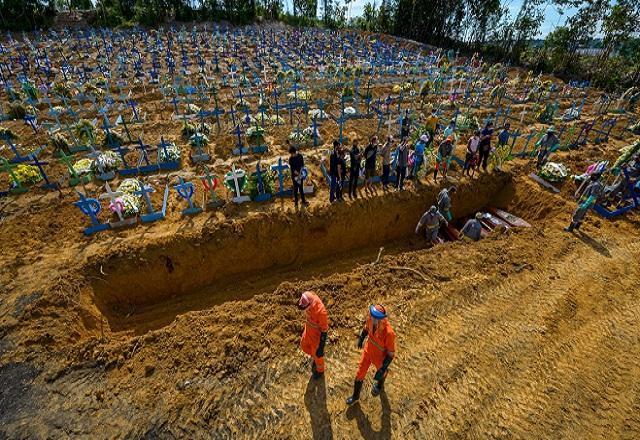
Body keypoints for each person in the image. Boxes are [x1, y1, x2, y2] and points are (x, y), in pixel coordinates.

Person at [346, 304, 395, 404]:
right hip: (368, 351)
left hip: (380, 356)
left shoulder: (389, 333)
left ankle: (379, 385)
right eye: (371, 315)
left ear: (381, 319)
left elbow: (390, 354)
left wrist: (383, 368)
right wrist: (361, 338)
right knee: (360, 373)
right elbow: (366, 329)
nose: (372, 319)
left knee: (381, 373)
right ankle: (355, 397)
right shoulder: (370, 320)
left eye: (375, 317)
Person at [298, 291, 329, 379]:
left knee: (317, 355)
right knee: (304, 346)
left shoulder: (321, 312)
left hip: (316, 336)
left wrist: (321, 347)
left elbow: (324, 330)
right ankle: (314, 356)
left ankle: (320, 371)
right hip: (308, 329)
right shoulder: (306, 296)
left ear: (310, 304)